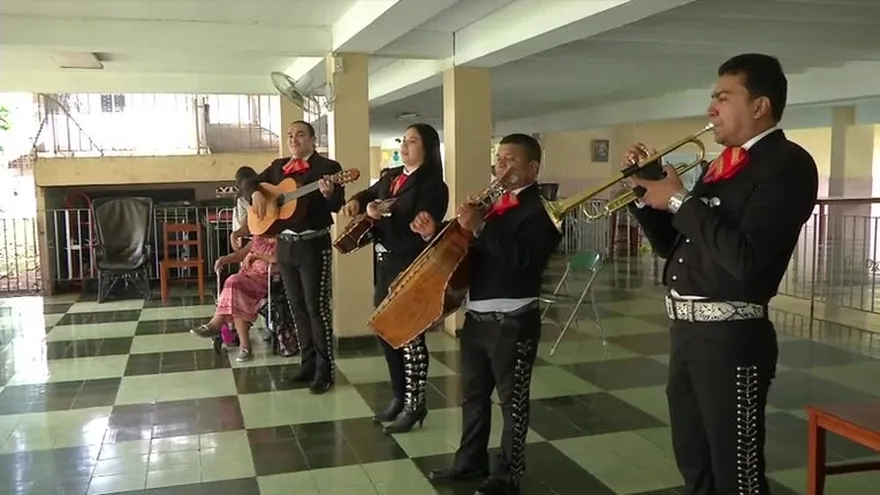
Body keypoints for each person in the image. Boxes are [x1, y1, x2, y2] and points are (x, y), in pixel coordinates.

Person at [625, 53, 818, 495]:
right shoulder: (720, 166)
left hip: (733, 341)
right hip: (687, 336)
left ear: (759, 106)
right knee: (695, 465)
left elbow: (745, 260)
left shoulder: (787, 164)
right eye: (713, 97)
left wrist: (678, 200)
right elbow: (677, 245)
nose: (711, 108)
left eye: (723, 97)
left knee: (738, 476)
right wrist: (646, 190)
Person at [413, 134, 561, 495]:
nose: (501, 167)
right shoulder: (494, 207)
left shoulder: (541, 212)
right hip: (477, 317)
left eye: (510, 160)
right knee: (473, 396)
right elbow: (467, 255)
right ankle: (470, 461)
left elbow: (520, 261)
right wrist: (437, 234)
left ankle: (508, 474)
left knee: (513, 402)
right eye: (498, 159)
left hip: (513, 320)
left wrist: (479, 226)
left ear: (533, 169)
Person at [342, 123, 449, 434]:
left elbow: (422, 227)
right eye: (404, 140)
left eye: (413, 142)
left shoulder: (433, 186)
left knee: (410, 338)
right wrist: (358, 203)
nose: (405, 146)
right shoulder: (390, 177)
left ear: (427, 149)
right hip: (384, 265)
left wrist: (388, 217)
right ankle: (398, 396)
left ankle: (416, 404)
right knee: (386, 332)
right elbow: (369, 194)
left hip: (411, 268)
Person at [241, 120, 345, 394]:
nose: (294, 139)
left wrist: (330, 192)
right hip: (285, 246)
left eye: (300, 134)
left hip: (314, 245)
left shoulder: (328, 168)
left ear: (312, 139)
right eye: (290, 135)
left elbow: (337, 205)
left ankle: (325, 371)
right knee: (297, 306)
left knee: (316, 308)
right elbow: (246, 179)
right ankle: (307, 364)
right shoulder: (278, 168)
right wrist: (255, 193)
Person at [191, 236, 278, 362]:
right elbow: (239, 254)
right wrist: (224, 259)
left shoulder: (281, 242)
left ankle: (217, 324)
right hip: (243, 280)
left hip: (261, 283)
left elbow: (280, 260)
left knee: (233, 282)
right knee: (236, 290)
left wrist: (257, 256)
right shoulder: (257, 240)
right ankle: (242, 345)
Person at [230, 166, 257, 250]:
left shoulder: (241, 200)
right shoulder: (265, 191)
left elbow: (245, 226)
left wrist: (234, 235)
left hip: (248, 241)